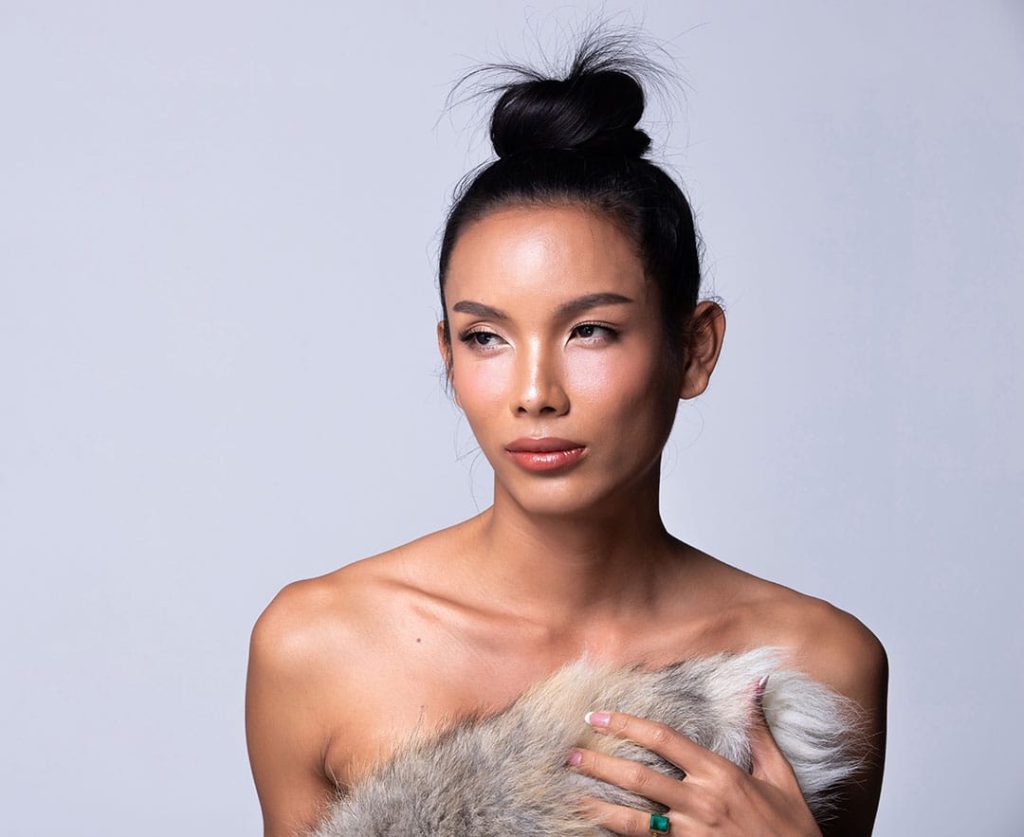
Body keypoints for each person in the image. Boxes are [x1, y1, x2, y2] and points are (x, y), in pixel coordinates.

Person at [245, 28, 887, 837]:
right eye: (486, 337)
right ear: (448, 355)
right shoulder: (319, 647)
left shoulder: (818, 664)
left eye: (591, 331)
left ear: (694, 348)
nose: (535, 392)